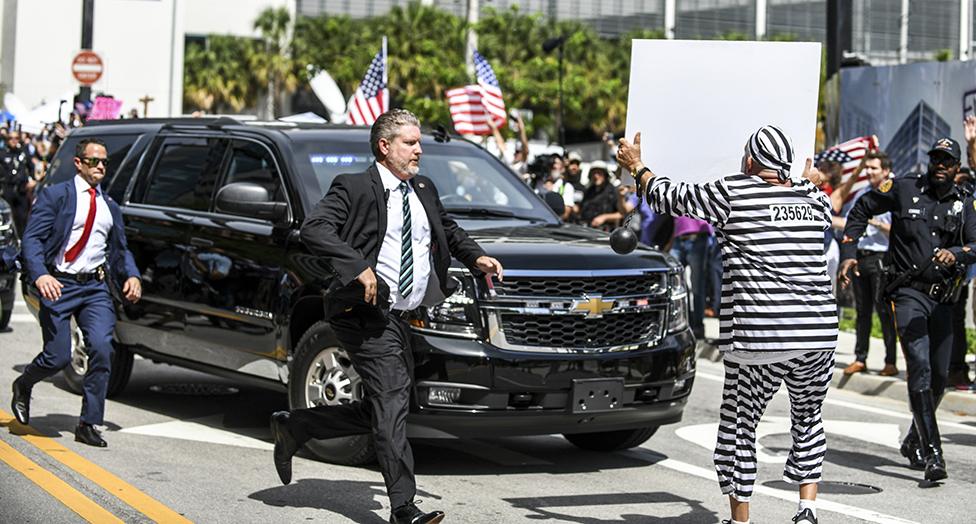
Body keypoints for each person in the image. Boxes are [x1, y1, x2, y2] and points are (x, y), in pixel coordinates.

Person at [269, 109, 503, 524]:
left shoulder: (423, 189)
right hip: (362, 313)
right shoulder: (355, 186)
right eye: (410, 143)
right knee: (392, 400)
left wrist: (477, 256)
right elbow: (316, 228)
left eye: (419, 142)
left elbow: (447, 231)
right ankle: (403, 509)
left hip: (402, 317)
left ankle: (298, 427)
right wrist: (357, 264)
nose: (418, 150)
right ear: (385, 146)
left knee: (387, 406)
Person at [617, 126, 837, 524]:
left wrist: (637, 165)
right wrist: (810, 182)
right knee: (809, 418)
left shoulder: (734, 191)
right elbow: (813, 195)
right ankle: (807, 509)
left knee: (740, 425)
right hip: (818, 334)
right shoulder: (812, 199)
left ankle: (741, 519)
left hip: (759, 336)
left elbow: (670, 196)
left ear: (750, 162)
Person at [839, 136, 976, 483]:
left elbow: (975, 244)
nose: (940, 165)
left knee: (941, 376)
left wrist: (957, 254)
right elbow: (860, 209)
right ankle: (933, 454)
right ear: (929, 161)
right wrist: (850, 252)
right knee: (919, 369)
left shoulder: (964, 203)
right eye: (936, 159)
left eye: (947, 161)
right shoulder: (903, 189)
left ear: (956, 167)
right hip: (908, 294)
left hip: (944, 297)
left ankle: (914, 440)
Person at [10, 137, 142, 447]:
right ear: (78, 163)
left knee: (101, 348)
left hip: (95, 287)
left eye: (104, 163)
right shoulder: (56, 196)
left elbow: (121, 250)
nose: (100, 167)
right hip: (60, 284)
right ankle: (24, 383)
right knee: (57, 357)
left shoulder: (109, 206)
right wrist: (41, 275)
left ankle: (88, 423)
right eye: (94, 161)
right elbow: (32, 240)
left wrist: (132, 276)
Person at [836, 151, 899, 377]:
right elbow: (852, 220)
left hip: (881, 258)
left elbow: (900, 230)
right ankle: (860, 358)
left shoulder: (895, 193)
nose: (869, 172)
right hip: (860, 257)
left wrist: (877, 223)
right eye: (868, 168)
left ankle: (890, 361)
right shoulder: (863, 193)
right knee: (862, 311)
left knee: (884, 311)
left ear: (885, 171)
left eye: (873, 168)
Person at [0, 129, 35, 237]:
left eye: (16, 138)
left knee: (23, 217)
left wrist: (33, 180)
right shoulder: (2, 153)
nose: (14, 141)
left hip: (22, 189)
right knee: (8, 217)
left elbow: (31, 166)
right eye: (11, 138)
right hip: (8, 189)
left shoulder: (23, 151)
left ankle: (23, 240)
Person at [580, 160, 623, 230]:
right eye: (594, 173)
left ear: (605, 175)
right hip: (586, 230)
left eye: (599, 173)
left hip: (604, 233)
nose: (596, 176)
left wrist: (605, 217)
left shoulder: (613, 192)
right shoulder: (588, 191)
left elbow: (621, 214)